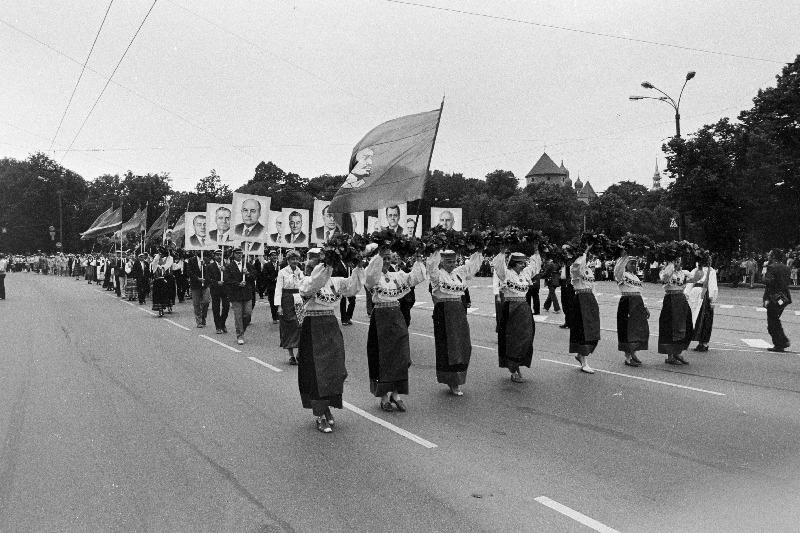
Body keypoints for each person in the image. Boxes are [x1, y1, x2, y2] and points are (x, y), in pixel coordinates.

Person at [297, 249, 364, 433]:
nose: (313, 268)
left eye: (317, 264)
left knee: (334, 370)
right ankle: (319, 414)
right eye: (311, 265)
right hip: (313, 328)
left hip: (331, 327)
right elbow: (314, 284)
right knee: (317, 372)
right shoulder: (305, 281)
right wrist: (325, 265)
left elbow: (353, 287)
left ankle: (327, 407)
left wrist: (358, 266)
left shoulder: (336, 282)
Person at [365, 246, 427, 411]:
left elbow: (415, 278)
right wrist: (378, 256)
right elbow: (370, 276)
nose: (385, 262)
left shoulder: (397, 275)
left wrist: (419, 259)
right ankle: (384, 396)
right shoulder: (372, 276)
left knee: (400, 356)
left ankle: (396, 393)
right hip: (380, 319)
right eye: (382, 258)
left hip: (397, 318)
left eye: (387, 258)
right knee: (382, 358)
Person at [427, 249, 483, 395]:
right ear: (442, 262)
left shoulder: (460, 273)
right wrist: (436, 249)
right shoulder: (437, 275)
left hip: (458, 311)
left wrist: (479, 250)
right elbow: (431, 266)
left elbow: (473, 266)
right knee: (448, 347)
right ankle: (452, 381)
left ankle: (458, 377)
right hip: (443, 312)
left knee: (463, 345)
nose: (451, 264)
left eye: (453, 261)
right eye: (448, 262)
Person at [493, 252, 536, 383]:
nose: (524, 265)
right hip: (511, 308)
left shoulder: (525, 273)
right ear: (513, 263)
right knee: (513, 338)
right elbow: (499, 266)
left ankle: (518, 364)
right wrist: (502, 252)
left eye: (524, 262)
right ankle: (513, 369)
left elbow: (535, 266)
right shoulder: (506, 273)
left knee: (526, 337)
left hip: (524, 308)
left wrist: (537, 252)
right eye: (521, 263)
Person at [569, 246, 600, 374]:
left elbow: (593, 287)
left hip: (590, 300)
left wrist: (595, 302)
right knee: (583, 330)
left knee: (593, 329)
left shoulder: (589, 270)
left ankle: (580, 354)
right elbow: (578, 266)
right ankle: (584, 361)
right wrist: (584, 252)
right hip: (581, 299)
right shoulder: (575, 268)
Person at [614, 254, 649, 367]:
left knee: (636, 329)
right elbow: (618, 268)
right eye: (631, 263)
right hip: (627, 303)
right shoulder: (622, 275)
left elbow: (639, 292)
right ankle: (628, 358)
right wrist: (624, 256)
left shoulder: (636, 277)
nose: (633, 266)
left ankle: (633, 353)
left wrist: (645, 307)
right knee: (627, 329)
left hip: (637, 304)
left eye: (635, 264)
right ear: (626, 264)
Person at [658, 257, 693, 365]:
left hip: (681, 300)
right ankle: (670, 355)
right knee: (670, 326)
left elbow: (695, 278)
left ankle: (678, 352)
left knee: (685, 325)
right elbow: (665, 277)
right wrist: (671, 264)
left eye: (678, 262)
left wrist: (701, 265)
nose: (677, 264)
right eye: (675, 262)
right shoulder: (664, 272)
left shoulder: (683, 273)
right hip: (670, 300)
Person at [274, 250, 304, 363]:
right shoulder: (282, 272)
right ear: (288, 260)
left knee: (300, 324)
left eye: (296, 259)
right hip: (286, 300)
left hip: (298, 300)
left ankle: (299, 353)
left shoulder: (300, 272)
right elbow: (278, 289)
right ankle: (291, 355)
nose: (295, 261)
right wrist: (279, 306)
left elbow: (304, 286)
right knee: (288, 326)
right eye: (292, 259)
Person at [685, 255, 718, 352]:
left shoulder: (696, 270)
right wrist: (712, 298)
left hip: (694, 294)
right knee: (705, 319)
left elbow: (690, 283)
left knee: (694, 317)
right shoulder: (710, 271)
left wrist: (686, 293)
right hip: (704, 295)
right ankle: (703, 343)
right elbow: (713, 286)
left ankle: (699, 341)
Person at [224, 247, 256, 345]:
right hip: (236, 295)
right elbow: (227, 280)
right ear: (233, 254)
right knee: (238, 316)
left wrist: (248, 273)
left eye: (240, 253)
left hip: (247, 294)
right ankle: (240, 335)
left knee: (247, 314)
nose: (239, 255)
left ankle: (242, 328)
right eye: (237, 253)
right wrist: (238, 284)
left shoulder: (248, 265)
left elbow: (255, 276)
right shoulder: (229, 267)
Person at [763, 249, 792, 352]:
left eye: (770, 254)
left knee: (772, 322)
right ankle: (783, 340)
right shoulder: (786, 268)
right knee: (776, 319)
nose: (768, 256)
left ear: (774, 256)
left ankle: (780, 343)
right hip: (783, 298)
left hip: (774, 298)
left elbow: (769, 283)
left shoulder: (771, 267)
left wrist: (767, 299)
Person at [206, 249, 229, 334]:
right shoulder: (210, 266)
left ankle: (222, 323)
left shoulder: (226, 265)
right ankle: (218, 326)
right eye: (217, 255)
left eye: (220, 255)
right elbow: (208, 278)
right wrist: (216, 282)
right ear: (214, 256)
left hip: (225, 289)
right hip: (215, 289)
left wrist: (225, 270)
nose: (219, 256)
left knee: (226, 307)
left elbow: (230, 277)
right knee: (216, 308)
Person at [187, 251, 211, 328]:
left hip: (205, 285)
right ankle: (199, 321)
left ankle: (203, 316)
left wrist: (205, 265)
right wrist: (197, 278)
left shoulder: (206, 260)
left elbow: (210, 271)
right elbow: (189, 272)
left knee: (206, 301)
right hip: (195, 285)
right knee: (196, 303)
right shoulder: (191, 260)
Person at [334, 257, 357, 326]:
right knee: (343, 302)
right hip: (342, 285)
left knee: (353, 300)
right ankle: (344, 319)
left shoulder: (349, 264)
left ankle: (348, 317)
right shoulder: (338, 263)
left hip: (349, 285)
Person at [150, 252, 174, 317]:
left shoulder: (163, 267)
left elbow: (169, 262)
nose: (160, 261)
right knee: (158, 296)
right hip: (157, 283)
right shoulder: (155, 267)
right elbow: (155, 261)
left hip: (163, 283)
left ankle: (162, 309)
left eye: (161, 260)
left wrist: (168, 253)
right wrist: (159, 254)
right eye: (159, 260)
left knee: (163, 296)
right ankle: (160, 310)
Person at [262, 250, 281, 323]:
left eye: (275, 255)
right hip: (271, 287)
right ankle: (274, 317)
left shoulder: (280, 264)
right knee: (272, 302)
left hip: (280, 286)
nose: (274, 257)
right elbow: (265, 274)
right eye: (272, 255)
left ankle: (280, 316)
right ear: (270, 257)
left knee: (280, 301)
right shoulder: (267, 265)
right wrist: (273, 279)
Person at [525, 248, 542, 315]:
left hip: (531, 279)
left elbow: (530, 272)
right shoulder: (538, 261)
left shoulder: (532, 261)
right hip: (536, 280)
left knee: (528, 296)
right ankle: (537, 310)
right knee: (535, 297)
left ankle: (529, 310)